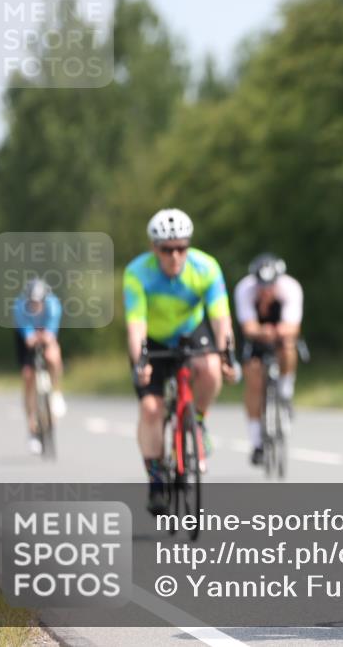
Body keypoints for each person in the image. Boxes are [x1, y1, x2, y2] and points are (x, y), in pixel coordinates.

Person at [123, 208, 236, 515]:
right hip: (155, 339)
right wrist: (140, 360)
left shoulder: (206, 268)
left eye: (181, 248)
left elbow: (221, 319)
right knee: (151, 409)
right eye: (167, 250)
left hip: (192, 332)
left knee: (209, 368)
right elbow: (136, 326)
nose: (175, 256)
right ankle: (157, 479)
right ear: (154, 248)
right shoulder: (137, 273)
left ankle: (197, 421)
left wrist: (228, 355)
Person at [233, 253, 304, 465]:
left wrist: (277, 331)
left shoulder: (290, 288)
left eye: (270, 286)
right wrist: (262, 331)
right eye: (262, 286)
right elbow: (248, 327)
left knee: (289, 348)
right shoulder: (245, 289)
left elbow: (292, 327)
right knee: (254, 380)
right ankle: (256, 443)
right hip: (256, 337)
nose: (266, 290)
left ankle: (285, 391)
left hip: (281, 334)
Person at [13, 278, 65, 454]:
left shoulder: (53, 305)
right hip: (26, 337)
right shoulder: (19, 307)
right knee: (28, 376)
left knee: (53, 356)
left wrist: (47, 337)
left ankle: (56, 392)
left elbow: (51, 332)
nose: (34, 306)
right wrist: (31, 337)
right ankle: (32, 427)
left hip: (46, 331)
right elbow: (26, 334)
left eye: (38, 303)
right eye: (31, 303)